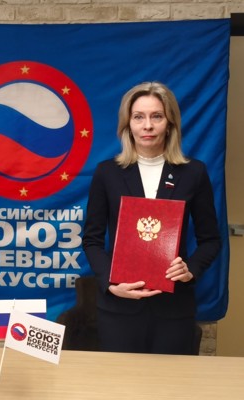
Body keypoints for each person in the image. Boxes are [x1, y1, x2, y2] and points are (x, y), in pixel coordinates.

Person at [82, 82, 221, 355]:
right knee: (120, 381)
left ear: (170, 124)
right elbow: (92, 240)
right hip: (119, 310)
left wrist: (190, 269)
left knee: (171, 381)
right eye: (139, 117)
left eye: (157, 116)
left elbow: (211, 240)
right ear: (128, 124)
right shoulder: (107, 173)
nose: (147, 125)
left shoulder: (193, 173)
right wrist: (111, 283)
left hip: (173, 310)